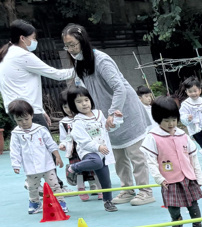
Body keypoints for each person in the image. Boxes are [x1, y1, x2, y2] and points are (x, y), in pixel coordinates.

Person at [61, 24, 154, 206]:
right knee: (118, 155)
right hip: (105, 116)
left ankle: (145, 191)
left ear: (82, 41)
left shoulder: (101, 60)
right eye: (67, 46)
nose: (70, 49)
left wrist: (112, 112)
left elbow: (119, 88)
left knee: (135, 154)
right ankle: (127, 189)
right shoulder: (80, 62)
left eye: (73, 45)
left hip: (125, 111)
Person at [141, 95, 202, 227]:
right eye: (166, 121)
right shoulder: (153, 137)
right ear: (158, 119)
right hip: (169, 179)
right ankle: (176, 220)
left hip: (188, 177)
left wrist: (198, 177)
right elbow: (151, 161)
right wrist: (159, 178)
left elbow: (193, 157)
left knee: (193, 204)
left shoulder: (183, 135)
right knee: (173, 205)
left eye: (174, 119)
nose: (171, 124)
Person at [0, 20, 75, 128]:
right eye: (33, 38)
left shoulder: (8, 52)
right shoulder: (23, 55)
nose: (35, 41)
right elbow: (56, 74)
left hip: (16, 109)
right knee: (42, 138)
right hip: (27, 110)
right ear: (22, 38)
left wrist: (41, 110)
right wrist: (80, 69)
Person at [7, 98, 67, 215]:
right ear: (14, 119)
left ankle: (60, 202)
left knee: (54, 185)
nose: (24, 122)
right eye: (19, 120)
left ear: (32, 115)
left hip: (47, 165)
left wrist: (58, 156)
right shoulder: (16, 134)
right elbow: (14, 150)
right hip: (31, 167)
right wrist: (16, 164)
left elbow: (50, 144)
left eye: (26, 119)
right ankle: (35, 203)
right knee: (32, 187)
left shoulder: (40, 129)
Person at [64, 84, 117, 212]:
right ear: (73, 105)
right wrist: (97, 147)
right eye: (79, 102)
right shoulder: (78, 122)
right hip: (89, 151)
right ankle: (73, 167)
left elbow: (108, 128)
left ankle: (108, 201)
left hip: (103, 152)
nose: (84, 104)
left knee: (106, 180)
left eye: (86, 100)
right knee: (96, 162)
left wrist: (117, 120)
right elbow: (83, 141)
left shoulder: (99, 114)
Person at [57, 90, 98, 201]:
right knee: (78, 171)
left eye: (69, 106)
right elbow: (64, 138)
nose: (68, 109)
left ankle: (95, 186)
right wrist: (63, 144)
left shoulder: (83, 117)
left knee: (92, 168)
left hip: (86, 147)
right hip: (73, 151)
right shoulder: (63, 122)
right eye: (65, 107)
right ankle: (81, 189)